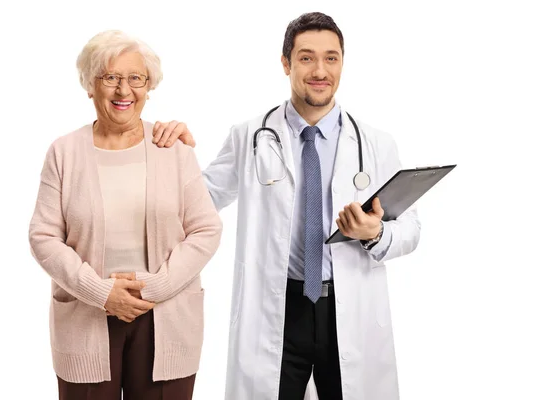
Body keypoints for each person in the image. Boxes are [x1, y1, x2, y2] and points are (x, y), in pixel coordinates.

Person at [152, 12, 421, 400]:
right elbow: (199, 200)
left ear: (342, 63)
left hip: (347, 311)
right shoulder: (249, 136)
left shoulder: (376, 144)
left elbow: (411, 229)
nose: (320, 70)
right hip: (277, 311)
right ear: (286, 63)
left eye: (331, 58)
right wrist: (177, 155)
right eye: (307, 57)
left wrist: (374, 233)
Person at [28, 30, 222, 400]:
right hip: (86, 314)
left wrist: (156, 285)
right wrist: (102, 292)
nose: (124, 91)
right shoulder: (64, 152)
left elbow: (206, 229)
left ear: (149, 87)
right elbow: (43, 237)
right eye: (110, 78)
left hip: (167, 314)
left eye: (136, 78)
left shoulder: (173, 148)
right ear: (89, 85)